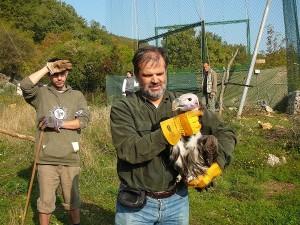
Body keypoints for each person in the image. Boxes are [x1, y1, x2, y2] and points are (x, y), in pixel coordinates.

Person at [110, 46, 237, 225]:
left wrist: (216, 165)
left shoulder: (186, 102)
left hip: (177, 200)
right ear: (137, 77)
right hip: (136, 204)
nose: (155, 80)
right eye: (147, 75)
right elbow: (129, 151)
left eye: (160, 73)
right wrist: (173, 129)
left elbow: (226, 132)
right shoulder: (124, 108)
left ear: (166, 72)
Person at [20, 58, 90, 225]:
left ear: (67, 74)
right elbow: (25, 85)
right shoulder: (41, 94)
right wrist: (46, 67)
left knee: (72, 201)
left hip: (69, 158)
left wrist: (59, 123)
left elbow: (83, 120)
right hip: (46, 159)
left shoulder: (77, 95)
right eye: (55, 74)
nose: (59, 78)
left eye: (62, 74)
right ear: (50, 75)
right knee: (45, 203)